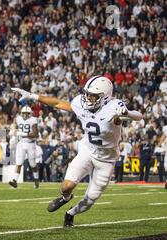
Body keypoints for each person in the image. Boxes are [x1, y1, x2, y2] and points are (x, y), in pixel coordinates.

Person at [12, 75, 143, 227]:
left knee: (91, 198)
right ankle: (66, 198)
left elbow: (138, 116)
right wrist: (32, 95)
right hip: (88, 150)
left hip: (106, 159)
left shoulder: (114, 107)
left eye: (93, 96)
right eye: (87, 93)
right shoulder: (81, 103)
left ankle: (70, 213)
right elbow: (58, 102)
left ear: (105, 97)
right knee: (66, 186)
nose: (88, 98)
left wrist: (127, 113)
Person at [9, 105, 39, 189]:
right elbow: (14, 126)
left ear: (30, 113)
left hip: (30, 143)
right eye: (24, 113)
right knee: (18, 163)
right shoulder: (18, 118)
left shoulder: (33, 120)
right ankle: (14, 181)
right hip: (21, 143)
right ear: (21, 113)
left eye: (27, 113)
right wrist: (13, 131)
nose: (25, 115)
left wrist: (23, 134)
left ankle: (36, 179)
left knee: (32, 164)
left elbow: (35, 134)